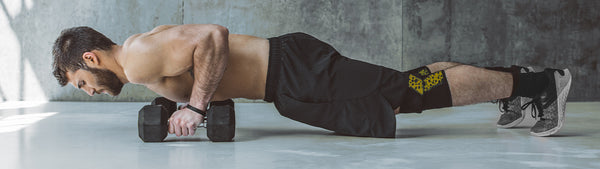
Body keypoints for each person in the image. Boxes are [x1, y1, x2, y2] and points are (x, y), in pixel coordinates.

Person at [51, 24, 572, 138]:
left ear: (91, 58)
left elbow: (212, 36)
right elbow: (197, 81)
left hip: (291, 67)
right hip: (289, 87)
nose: (87, 90)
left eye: (80, 81)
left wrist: (199, 107)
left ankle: (541, 84)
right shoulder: (141, 69)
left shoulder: (138, 56)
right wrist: (190, 107)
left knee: (407, 94)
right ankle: (515, 79)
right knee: (400, 93)